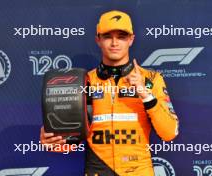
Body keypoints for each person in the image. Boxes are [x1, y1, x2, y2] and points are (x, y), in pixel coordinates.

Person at [40, 10, 179, 176]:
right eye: (107, 36)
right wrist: (53, 141)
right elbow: (70, 140)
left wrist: (145, 94)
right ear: (98, 40)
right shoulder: (84, 82)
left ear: (131, 40)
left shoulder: (151, 79)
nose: (114, 43)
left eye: (121, 36)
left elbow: (170, 133)